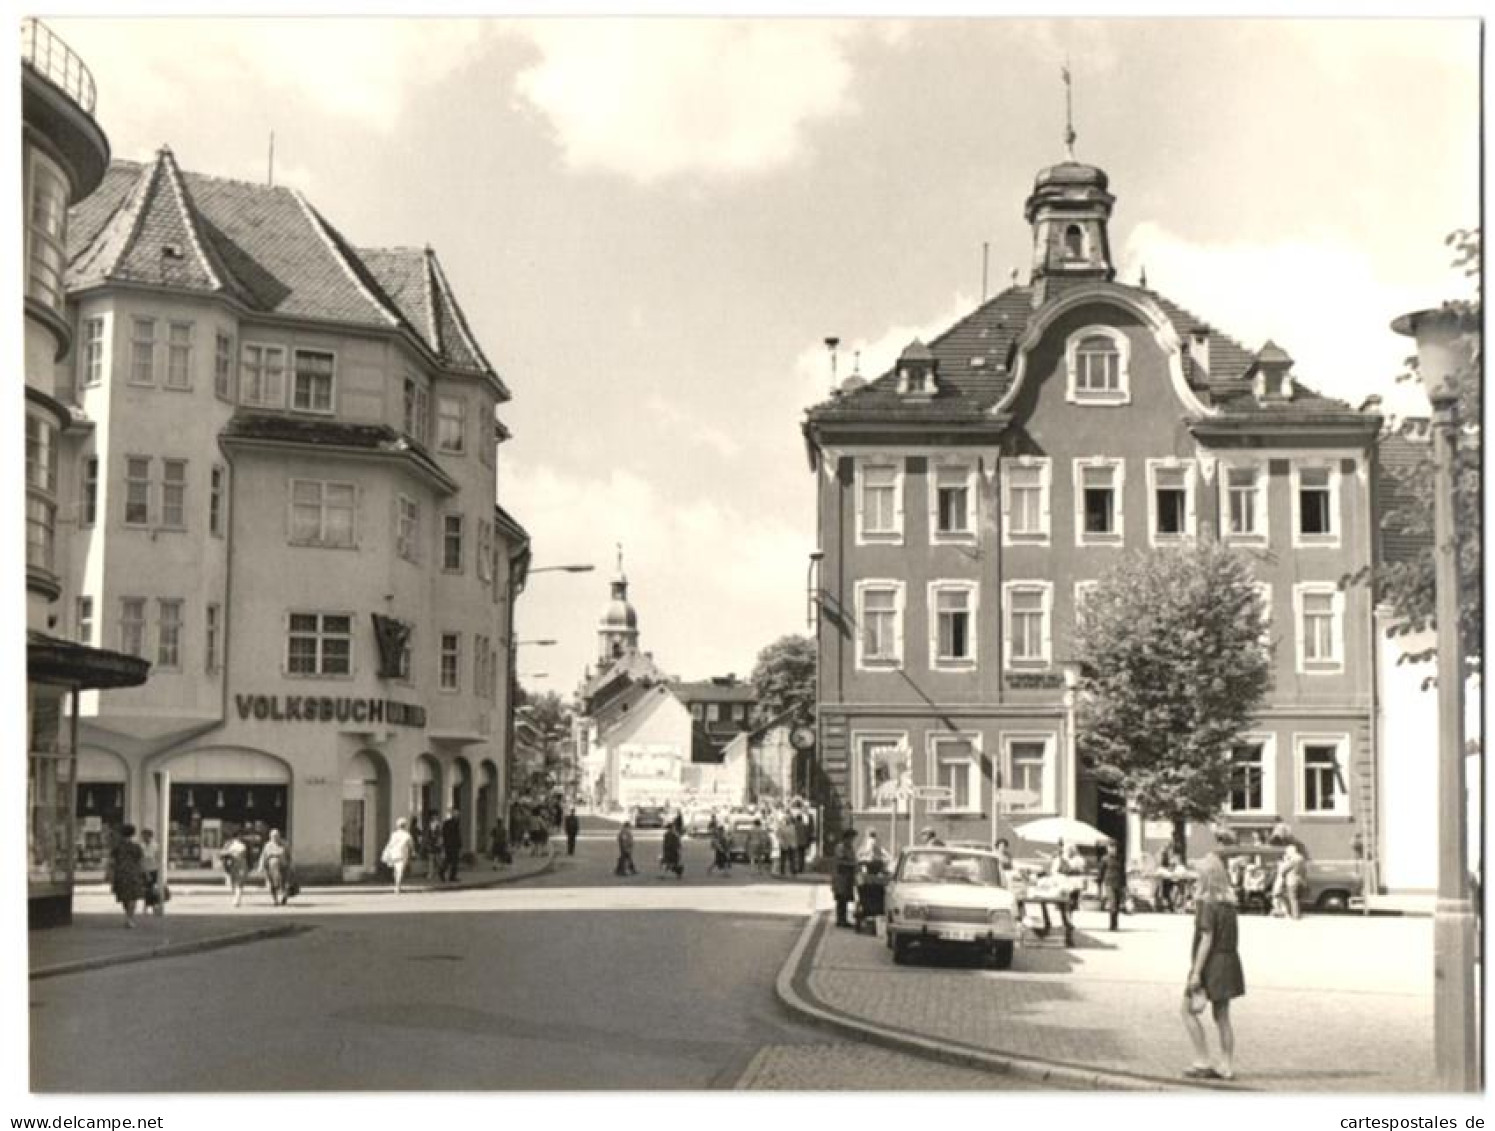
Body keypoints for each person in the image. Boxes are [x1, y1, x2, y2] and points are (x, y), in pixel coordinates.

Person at [1181, 829, 1245, 1081]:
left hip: (1210, 963)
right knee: (1222, 1017)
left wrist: (1196, 972)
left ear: (1206, 878)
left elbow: (1206, 939)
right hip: (1229, 961)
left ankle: (1202, 1060)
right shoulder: (1229, 903)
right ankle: (1226, 1065)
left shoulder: (1206, 904)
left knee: (1186, 1010)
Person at [108, 823, 147, 928]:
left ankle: (128, 916)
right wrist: (145, 874)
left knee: (124, 896)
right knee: (133, 897)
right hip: (134, 873)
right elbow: (141, 862)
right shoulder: (136, 847)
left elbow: (111, 862)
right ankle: (129, 918)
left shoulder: (117, 847)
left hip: (120, 873)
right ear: (133, 834)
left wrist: (110, 875)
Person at [257, 829, 293, 905]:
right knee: (272, 884)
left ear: (279, 836)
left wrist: (291, 865)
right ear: (270, 836)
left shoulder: (285, 844)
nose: (275, 837)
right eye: (273, 836)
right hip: (271, 867)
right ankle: (275, 900)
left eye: (276, 836)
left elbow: (289, 856)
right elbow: (263, 856)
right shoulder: (267, 845)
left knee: (285, 883)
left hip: (283, 866)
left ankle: (284, 897)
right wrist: (261, 866)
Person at [832, 828, 859, 927]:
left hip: (847, 877)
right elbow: (840, 862)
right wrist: (852, 864)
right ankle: (840, 920)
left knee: (845, 899)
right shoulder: (841, 847)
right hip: (841, 877)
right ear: (846, 838)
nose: (852, 840)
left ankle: (843, 919)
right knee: (841, 899)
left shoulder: (850, 847)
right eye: (851, 838)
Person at [1098, 840, 1127, 931]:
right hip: (1109, 883)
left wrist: (1124, 885)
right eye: (1111, 848)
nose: (1113, 850)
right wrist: (1099, 883)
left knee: (1117, 905)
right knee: (1113, 904)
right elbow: (1101, 872)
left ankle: (1115, 924)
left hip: (1118, 883)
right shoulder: (1104, 859)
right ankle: (1111, 924)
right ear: (1107, 849)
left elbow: (1123, 872)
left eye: (1114, 848)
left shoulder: (1120, 858)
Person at [382, 818, 415, 893]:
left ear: (398, 826)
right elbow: (411, 844)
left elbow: (390, 844)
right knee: (400, 870)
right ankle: (397, 887)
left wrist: (387, 851)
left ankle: (396, 885)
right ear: (405, 826)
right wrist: (413, 851)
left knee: (396, 870)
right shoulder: (407, 835)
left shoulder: (394, 834)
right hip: (402, 854)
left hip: (394, 853)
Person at [219, 828, 251, 907]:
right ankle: (235, 896)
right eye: (238, 835)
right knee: (233, 882)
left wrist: (250, 866)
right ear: (235, 836)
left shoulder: (246, 844)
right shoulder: (229, 843)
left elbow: (249, 856)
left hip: (242, 864)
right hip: (232, 864)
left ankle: (237, 900)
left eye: (242, 835)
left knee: (240, 883)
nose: (240, 837)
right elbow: (222, 853)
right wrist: (228, 855)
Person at [139, 828, 164, 917]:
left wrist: (158, 870)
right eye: (143, 836)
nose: (143, 838)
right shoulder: (141, 846)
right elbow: (141, 859)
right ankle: (150, 906)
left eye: (145, 836)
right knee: (147, 889)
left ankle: (150, 907)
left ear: (149, 836)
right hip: (144, 869)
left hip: (153, 869)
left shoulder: (155, 846)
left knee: (151, 889)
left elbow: (158, 859)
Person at [1279, 842, 1306, 920]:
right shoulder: (1301, 858)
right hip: (1300, 880)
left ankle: (1295, 916)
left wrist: (1285, 860)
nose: (1286, 853)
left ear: (1291, 851)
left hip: (1291, 881)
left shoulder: (1293, 859)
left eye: (1287, 852)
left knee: (1292, 898)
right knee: (1297, 898)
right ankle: (1298, 914)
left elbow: (1283, 869)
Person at [440, 807, 462, 882]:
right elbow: (456, 835)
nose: (457, 815)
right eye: (456, 814)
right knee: (454, 861)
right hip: (452, 845)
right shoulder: (453, 823)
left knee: (449, 860)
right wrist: (459, 843)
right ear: (453, 815)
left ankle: (444, 872)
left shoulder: (448, 823)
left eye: (457, 814)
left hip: (449, 845)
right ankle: (451, 876)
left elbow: (444, 834)